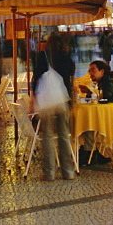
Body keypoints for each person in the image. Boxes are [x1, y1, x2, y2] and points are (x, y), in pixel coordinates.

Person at [31, 33, 76, 181]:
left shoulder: (42, 57)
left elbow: (35, 79)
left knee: (48, 136)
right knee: (64, 136)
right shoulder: (68, 60)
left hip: (47, 102)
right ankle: (68, 171)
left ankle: (49, 172)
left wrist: (34, 99)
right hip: (62, 101)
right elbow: (70, 84)